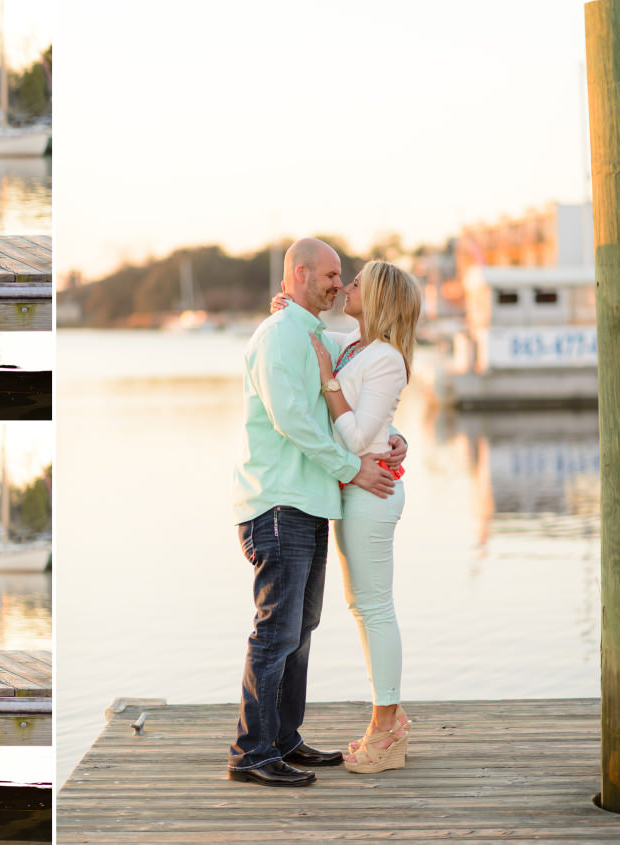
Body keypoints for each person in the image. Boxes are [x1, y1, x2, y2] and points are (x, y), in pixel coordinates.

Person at [228, 237, 405, 788]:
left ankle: (284, 739)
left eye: (343, 277)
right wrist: (352, 470)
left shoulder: (309, 333)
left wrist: (392, 439)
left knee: (300, 629)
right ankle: (251, 753)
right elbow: (295, 421)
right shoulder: (280, 335)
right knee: (276, 632)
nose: (338, 284)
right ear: (299, 274)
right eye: (331, 275)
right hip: (278, 503)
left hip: (307, 503)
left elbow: (350, 407)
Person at [307, 259, 420, 774]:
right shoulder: (357, 346)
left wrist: (329, 381)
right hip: (357, 487)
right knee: (362, 607)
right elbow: (379, 427)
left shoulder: (385, 358)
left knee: (374, 609)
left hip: (371, 492)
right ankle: (387, 720)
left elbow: (355, 437)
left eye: (356, 283)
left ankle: (387, 728)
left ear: (376, 297)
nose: (346, 287)